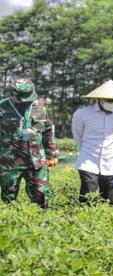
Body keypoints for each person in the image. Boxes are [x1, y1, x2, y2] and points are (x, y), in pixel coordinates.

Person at [72, 80, 113, 206]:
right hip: (88, 160)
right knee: (89, 198)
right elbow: (78, 136)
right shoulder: (82, 113)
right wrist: (85, 151)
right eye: (109, 100)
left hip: (112, 161)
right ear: (100, 99)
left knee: (110, 200)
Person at [0, 78, 59, 209]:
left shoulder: (38, 108)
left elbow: (48, 130)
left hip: (36, 159)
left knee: (41, 194)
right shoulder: (2, 108)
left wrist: (53, 153)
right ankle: (11, 222)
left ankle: (41, 222)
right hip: (9, 161)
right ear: (13, 94)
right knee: (8, 196)